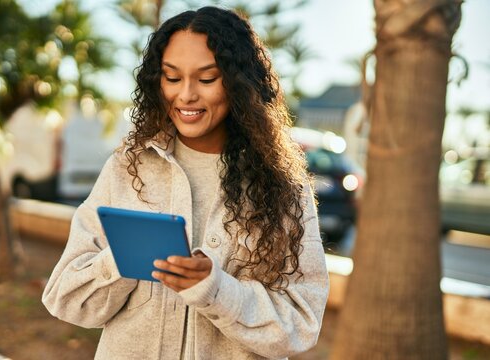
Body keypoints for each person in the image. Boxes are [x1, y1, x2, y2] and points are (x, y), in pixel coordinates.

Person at [42, 6, 329, 360]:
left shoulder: (284, 185)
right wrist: (125, 255)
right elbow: (65, 299)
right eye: (172, 78)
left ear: (238, 83)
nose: (186, 95)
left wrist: (216, 290)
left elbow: (302, 325)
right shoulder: (127, 167)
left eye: (207, 79)